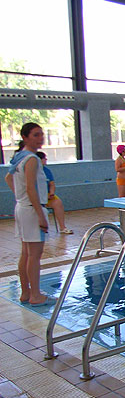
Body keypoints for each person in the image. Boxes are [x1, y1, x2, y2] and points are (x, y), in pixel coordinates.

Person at [4, 123, 52, 305]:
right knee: (34, 255)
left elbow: (8, 178)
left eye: (41, 134)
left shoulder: (19, 157)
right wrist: (40, 214)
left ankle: (26, 293)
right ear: (25, 137)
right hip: (31, 209)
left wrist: (20, 196)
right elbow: (31, 188)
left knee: (25, 253)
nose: (40, 138)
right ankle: (36, 295)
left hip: (22, 207)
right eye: (35, 135)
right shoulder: (32, 159)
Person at [35, 152, 73, 234]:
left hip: (47, 196)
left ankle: (62, 227)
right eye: (44, 158)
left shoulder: (47, 171)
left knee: (58, 202)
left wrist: (51, 193)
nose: (46, 160)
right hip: (36, 197)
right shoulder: (32, 171)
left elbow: (52, 184)